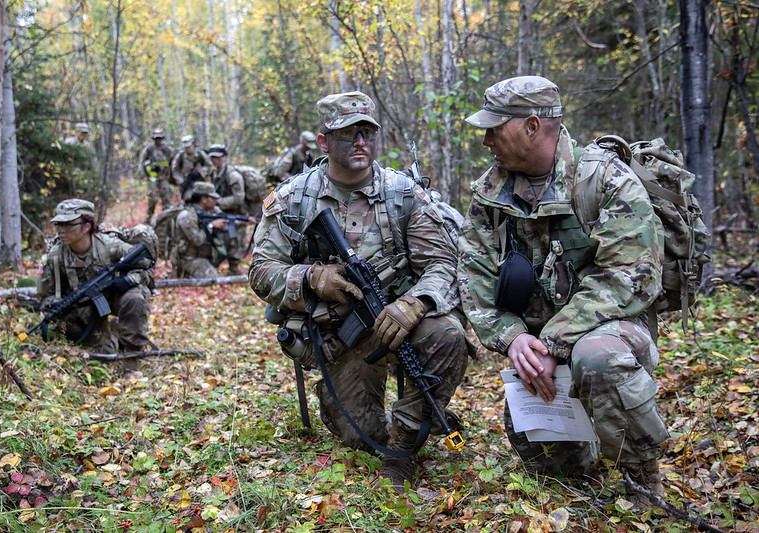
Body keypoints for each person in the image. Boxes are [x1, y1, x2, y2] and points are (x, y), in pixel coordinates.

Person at [457, 76, 668, 507]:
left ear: (532, 126)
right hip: (537, 345)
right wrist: (514, 338)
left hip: (612, 331)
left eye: (494, 128)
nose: (485, 141)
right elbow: (473, 274)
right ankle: (581, 449)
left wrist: (554, 341)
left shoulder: (604, 179)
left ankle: (643, 481)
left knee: (597, 358)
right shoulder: (492, 191)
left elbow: (632, 274)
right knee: (556, 471)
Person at [249, 91, 468, 491]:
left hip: (397, 321)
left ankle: (403, 449)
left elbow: (443, 264)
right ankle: (410, 417)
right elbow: (260, 272)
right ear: (323, 142)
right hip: (340, 335)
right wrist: (312, 279)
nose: (360, 141)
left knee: (447, 333)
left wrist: (415, 303)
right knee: (360, 437)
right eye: (348, 133)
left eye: (367, 131)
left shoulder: (403, 195)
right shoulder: (293, 199)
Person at [36, 199, 153, 372]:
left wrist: (128, 280)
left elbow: (147, 267)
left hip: (114, 296)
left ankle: (132, 359)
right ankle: (115, 332)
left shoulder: (111, 246)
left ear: (87, 226)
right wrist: (55, 305)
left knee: (134, 299)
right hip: (84, 309)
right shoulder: (55, 256)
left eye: (68, 224)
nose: (61, 230)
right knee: (103, 357)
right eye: (58, 224)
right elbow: (45, 296)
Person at [172, 181, 230, 279]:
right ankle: (186, 273)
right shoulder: (187, 216)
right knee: (214, 280)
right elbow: (197, 240)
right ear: (204, 199)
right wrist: (211, 226)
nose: (216, 201)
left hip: (204, 257)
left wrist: (242, 222)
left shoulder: (211, 211)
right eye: (213, 198)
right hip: (189, 259)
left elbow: (227, 220)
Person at [208, 143, 248, 275]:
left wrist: (217, 203)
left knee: (234, 244)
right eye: (212, 157)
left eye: (218, 157)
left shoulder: (233, 176)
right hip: (220, 215)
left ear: (225, 157)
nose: (215, 160)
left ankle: (234, 270)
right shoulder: (213, 174)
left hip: (235, 216)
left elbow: (238, 198)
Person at [139, 128, 174, 223]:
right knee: (153, 199)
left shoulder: (167, 149)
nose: (158, 140)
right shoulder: (149, 149)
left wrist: (172, 177)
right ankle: (149, 217)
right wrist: (145, 176)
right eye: (156, 138)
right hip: (152, 178)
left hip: (164, 178)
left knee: (166, 198)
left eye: (159, 138)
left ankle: (166, 219)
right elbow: (141, 163)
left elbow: (173, 163)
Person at [171, 135, 212, 201]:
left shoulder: (200, 154)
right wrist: (181, 181)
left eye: (189, 147)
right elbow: (175, 170)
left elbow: (209, 166)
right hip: (187, 184)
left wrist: (200, 173)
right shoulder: (180, 156)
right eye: (186, 147)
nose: (187, 149)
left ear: (193, 145)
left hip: (201, 182)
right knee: (188, 200)